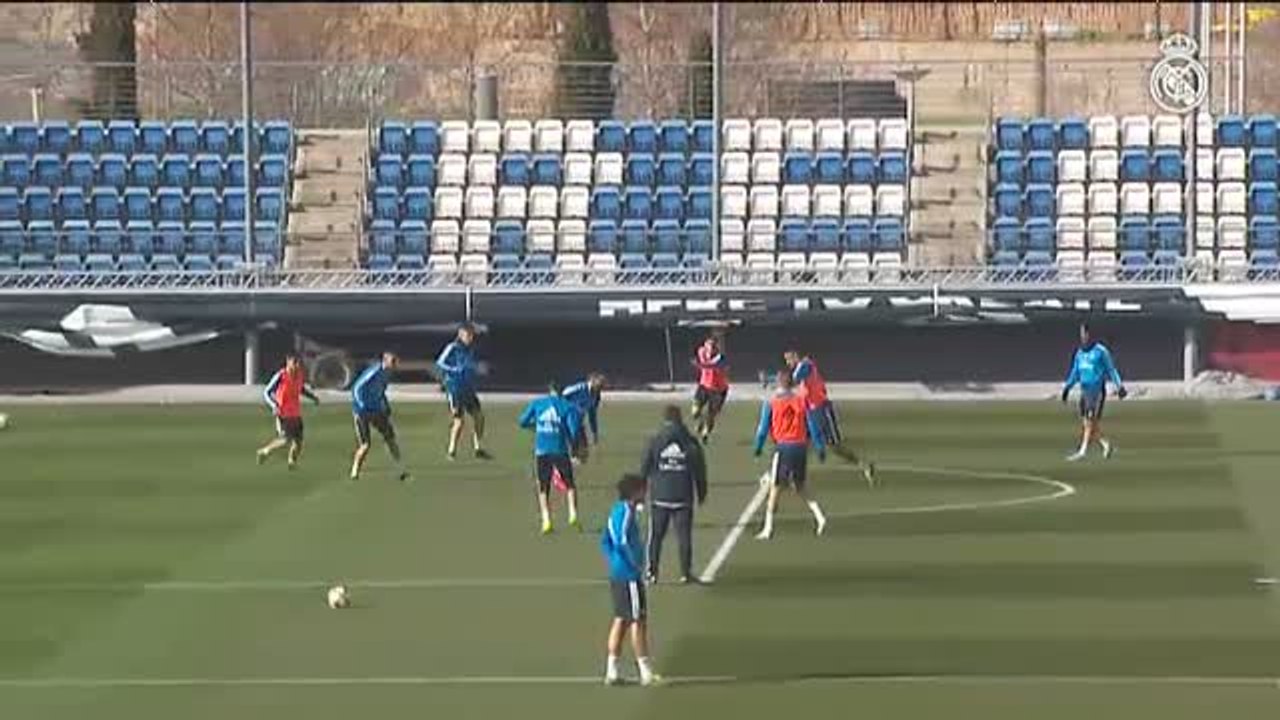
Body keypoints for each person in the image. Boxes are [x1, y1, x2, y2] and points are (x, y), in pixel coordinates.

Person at [601, 473, 661, 687]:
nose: (645, 493)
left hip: (618, 573)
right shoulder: (625, 512)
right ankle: (645, 672)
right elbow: (621, 540)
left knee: (621, 619)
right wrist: (633, 564)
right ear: (635, 492)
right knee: (638, 621)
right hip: (629, 577)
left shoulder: (615, 511)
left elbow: (605, 541)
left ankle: (612, 671)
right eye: (643, 490)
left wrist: (613, 562)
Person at [753, 371, 828, 540]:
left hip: (784, 448)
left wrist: (757, 447)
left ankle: (768, 528)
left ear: (778, 384)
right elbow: (813, 427)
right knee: (799, 485)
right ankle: (820, 516)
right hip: (800, 448)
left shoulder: (771, 403)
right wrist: (819, 448)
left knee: (775, 487)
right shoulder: (801, 401)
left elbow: (763, 429)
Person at [784, 349, 875, 487]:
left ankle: (864, 465)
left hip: (822, 410)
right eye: (786, 360)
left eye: (790, 359)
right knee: (801, 442)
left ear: (796, 356)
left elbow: (792, 381)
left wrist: (771, 379)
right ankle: (793, 475)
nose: (788, 363)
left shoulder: (805, 365)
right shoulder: (799, 369)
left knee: (834, 446)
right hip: (811, 412)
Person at [641, 405, 707, 585]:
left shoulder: (655, 441)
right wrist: (701, 493)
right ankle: (686, 573)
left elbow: (644, 468)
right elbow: (699, 470)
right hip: (683, 497)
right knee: (684, 537)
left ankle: (651, 572)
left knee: (655, 537)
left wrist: (639, 497)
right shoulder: (690, 442)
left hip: (659, 497)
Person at [518, 388, 585, 534]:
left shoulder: (538, 403)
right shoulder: (568, 406)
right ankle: (573, 515)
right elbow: (574, 431)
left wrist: (537, 427)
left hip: (541, 451)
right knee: (570, 484)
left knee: (543, 487)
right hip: (560, 450)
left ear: (549, 390)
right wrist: (573, 444)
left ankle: (546, 520)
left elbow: (522, 421)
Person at [1061, 322, 1128, 461]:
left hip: (1096, 392)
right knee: (1088, 423)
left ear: (1090, 334)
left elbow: (1111, 369)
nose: (1083, 337)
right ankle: (1105, 444)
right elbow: (1075, 372)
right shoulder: (1079, 353)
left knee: (1090, 420)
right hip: (1084, 392)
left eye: (1084, 333)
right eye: (1081, 334)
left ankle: (1083, 451)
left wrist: (1119, 386)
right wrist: (1067, 387)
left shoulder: (1100, 351)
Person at [349, 352, 411, 482]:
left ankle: (401, 469)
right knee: (365, 445)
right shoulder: (374, 372)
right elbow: (357, 388)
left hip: (377, 411)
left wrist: (385, 405)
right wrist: (361, 404)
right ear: (385, 361)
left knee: (390, 438)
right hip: (362, 412)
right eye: (392, 361)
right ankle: (355, 470)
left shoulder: (387, 375)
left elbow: (381, 391)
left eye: (395, 362)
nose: (394, 364)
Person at [435, 324, 491, 460]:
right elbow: (440, 363)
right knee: (459, 421)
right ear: (461, 334)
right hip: (455, 389)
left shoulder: (470, 349)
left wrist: (478, 368)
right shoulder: (453, 348)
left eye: (472, 335)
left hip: (468, 388)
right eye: (468, 335)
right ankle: (451, 451)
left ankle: (478, 448)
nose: (470, 338)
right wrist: (454, 370)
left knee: (479, 417)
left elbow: (469, 365)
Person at [256, 354, 320, 470]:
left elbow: (301, 389)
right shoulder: (281, 376)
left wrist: (313, 397)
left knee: (298, 441)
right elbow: (267, 392)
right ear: (288, 363)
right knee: (285, 440)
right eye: (294, 363)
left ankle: (291, 463)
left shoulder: (299, 375)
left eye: (298, 363)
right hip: (283, 413)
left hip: (296, 413)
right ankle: (264, 451)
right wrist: (274, 405)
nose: (297, 365)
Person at [690, 335, 729, 442]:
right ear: (705, 345)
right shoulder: (701, 351)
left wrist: (698, 364)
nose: (711, 348)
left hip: (718, 389)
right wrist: (699, 363)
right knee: (695, 412)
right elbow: (701, 360)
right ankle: (701, 422)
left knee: (711, 415)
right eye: (709, 345)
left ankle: (705, 435)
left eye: (713, 346)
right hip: (704, 386)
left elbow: (710, 366)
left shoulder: (720, 357)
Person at [561, 372, 606, 455]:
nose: (600, 388)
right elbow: (562, 396)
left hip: (578, 422)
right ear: (592, 381)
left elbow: (592, 416)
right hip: (567, 420)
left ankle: (574, 458)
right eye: (599, 385)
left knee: (584, 449)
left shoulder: (596, 397)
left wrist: (594, 433)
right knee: (574, 443)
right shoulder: (579, 388)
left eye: (601, 387)